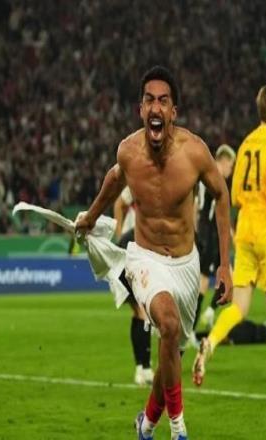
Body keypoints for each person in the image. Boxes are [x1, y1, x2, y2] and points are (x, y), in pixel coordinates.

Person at [75, 66, 232, 440]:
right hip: (145, 259)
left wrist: (225, 265)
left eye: (163, 100)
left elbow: (221, 194)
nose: (156, 107)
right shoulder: (128, 152)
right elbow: (115, 179)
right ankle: (178, 429)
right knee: (169, 326)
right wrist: (90, 217)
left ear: (173, 111)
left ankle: (145, 425)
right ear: (141, 110)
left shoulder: (194, 152)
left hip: (186, 263)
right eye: (149, 100)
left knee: (171, 353)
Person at [192, 82, 266, 401]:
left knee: (239, 306)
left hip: (245, 233)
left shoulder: (245, 145)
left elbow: (236, 195)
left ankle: (211, 342)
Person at [113, 186, 154, 386]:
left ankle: (143, 368)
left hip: (139, 251)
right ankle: (143, 368)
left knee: (141, 312)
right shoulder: (139, 182)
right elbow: (118, 204)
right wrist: (120, 234)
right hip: (130, 251)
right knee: (142, 312)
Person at [194, 144, 236, 334]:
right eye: (231, 166)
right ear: (224, 161)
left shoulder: (204, 175)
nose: (230, 171)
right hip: (210, 235)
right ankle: (191, 330)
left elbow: (196, 205)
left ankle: (210, 311)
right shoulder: (216, 178)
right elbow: (217, 213)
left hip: (208, 233)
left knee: (228, 275)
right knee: (203, 282)